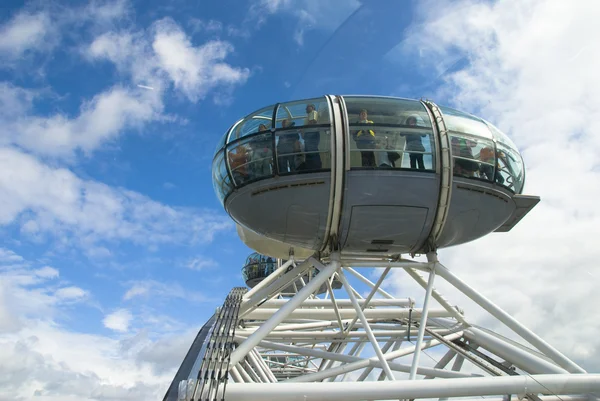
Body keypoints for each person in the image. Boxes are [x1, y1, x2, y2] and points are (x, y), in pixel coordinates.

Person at [301, 104, 322, 170]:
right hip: (309, 134)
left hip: (312, 133)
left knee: (312, 149)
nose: (306, 109)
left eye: (307, 107)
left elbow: (313, 121)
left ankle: (315, 166)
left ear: (312, 107)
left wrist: (303, 129)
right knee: (308, 151)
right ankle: (310, 166)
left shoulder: (313, 112)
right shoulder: (308, 115)